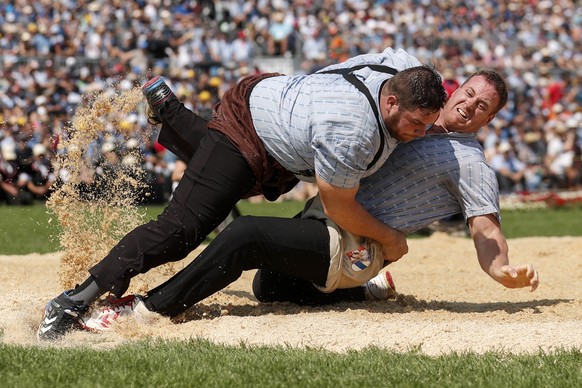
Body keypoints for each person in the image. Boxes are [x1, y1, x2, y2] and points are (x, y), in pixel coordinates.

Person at [42, 70, 539, 337]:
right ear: (456, 89)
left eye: (483, 107)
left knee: (245, 235)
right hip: (323, 220)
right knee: (267, 282)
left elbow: (485, 226)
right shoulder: (416, 111)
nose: (470, 106)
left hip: (355, 242)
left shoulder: (471, 163)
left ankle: (146, 309)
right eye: (469, 93)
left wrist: (500, 268)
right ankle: (358, 292)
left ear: (488, 120)